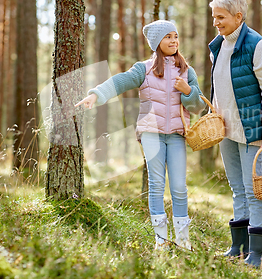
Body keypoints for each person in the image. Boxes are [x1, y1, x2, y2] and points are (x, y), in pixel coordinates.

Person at [75, 20, 206, 250]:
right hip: (151, 134)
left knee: (178, 187)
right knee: (156, 185)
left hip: (177, 135)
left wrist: (188, 92)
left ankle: (184, 241)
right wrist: (96, 94)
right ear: (157, 42)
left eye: (176, 36)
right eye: (168, 37)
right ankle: (161, 241)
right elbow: (119, 81)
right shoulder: (143, 69)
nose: (174, 41)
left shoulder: (187, 71)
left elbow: (198, 107)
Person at [207, 0, 262, 268]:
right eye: (214, 17)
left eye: (221, 17)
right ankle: (238, 247)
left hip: (254, 131)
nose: (216, 22)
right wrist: (211, 117)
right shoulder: (218, 45)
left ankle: (256, 254)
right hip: (226, 130)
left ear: (238, 16)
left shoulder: (257, 46)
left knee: (255, 190)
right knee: (237, 188)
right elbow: (219, 89)